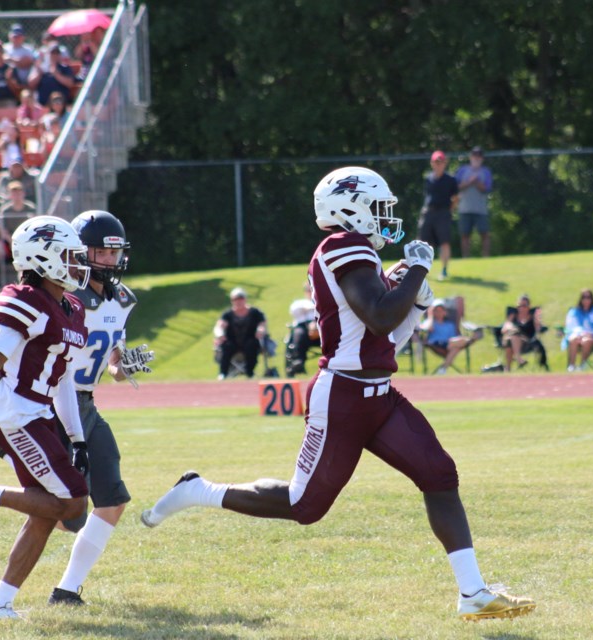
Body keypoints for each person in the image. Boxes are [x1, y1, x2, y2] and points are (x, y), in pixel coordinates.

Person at [140, 166, 536, 622]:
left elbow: (387, 339)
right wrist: (416, 271)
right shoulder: (341, 247)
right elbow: (380, 316)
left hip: (379, 395)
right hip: (343, 397)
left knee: (440, 475)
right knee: (303, 506)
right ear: (352, 207)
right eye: (380, 207)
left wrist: (417, 299)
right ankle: (198, 491)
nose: (387, 217)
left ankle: (472, 592)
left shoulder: (361, 253)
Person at [0, 215, 91, 621]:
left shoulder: (71, 308)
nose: (77, 264)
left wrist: (76, 439)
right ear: (43, 258)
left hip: (38, 413)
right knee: (74, 503)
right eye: (68, 256)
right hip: (15, 415)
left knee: (46, 511)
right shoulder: (26, 299)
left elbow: (62, 381)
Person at [47, 210, 154, 606]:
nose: (110, 261)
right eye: (102, 253)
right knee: (64, 515)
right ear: (81, 252)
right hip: (55, 403)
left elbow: (112, 367)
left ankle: (67, 591)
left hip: (86, 404)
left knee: (112, 500)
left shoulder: (121, 299)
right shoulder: (65, 296)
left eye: (114, 253)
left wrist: (129, 364)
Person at [417, 150, 459, 280]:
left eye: (440, 162)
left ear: (445, 163)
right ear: (432, 163)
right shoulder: (429, 178)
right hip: (429, 212)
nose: (438, 164)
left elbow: (456, 198)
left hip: (443, 213)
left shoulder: (450, 180)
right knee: (422, 242)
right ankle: (419, 270)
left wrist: (449, 211)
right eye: (436, 162)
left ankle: (444, 270)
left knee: (444, 242)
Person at [213, 287, 267, 379]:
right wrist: (220, 335)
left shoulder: (255, 313)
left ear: (245, 299)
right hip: (233, 342)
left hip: (249, 340)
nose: (238, 301)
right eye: (235, 299)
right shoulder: (227, 315)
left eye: (241, 298)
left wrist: (260, 330)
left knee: (252, 345)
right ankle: (223, 373)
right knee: (226, 346)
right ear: (232, 301)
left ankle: (250, 372)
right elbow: (219, 326)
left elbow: (262, 324)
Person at [454, 146, 493, 258]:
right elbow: (456, 187)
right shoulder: (463, 170)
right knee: (465, 235)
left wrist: (477, 182)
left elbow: (487, 189)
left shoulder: (486, 172)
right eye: (474, 156)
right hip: (464, 208)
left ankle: (486, 257)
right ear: (471, 157)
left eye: (479, 156)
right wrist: (469, 182)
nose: (476, 158)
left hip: (481, 209)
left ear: (482, 158)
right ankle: (466, 258)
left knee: (484, 234)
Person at [421, 298, 475, 375]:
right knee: (464, 341)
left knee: (456, 348)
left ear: (445, 312)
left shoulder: (450, 325)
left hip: (449, 343)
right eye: (436, 310)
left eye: (441, 310)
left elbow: (453, 337)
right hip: (436, 343)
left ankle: (443, 369)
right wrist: (430, 315)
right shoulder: (430, 322)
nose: (439, 313)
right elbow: (428, 328)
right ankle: (469, 339)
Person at [497, 294, 547, 372]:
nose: (521, 308)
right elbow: (505, 327)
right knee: (511, 336)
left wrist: (537, 319)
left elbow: (538, 329)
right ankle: (518, 359)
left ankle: (509, 367)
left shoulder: (532, 316)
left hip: (527, 342)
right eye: (519, 306)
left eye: (524, 306)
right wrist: (511, 327)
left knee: (511, 338)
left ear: (529, 306)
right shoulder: (513, 315)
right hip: (510, 340)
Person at [563, 288, 593, 371]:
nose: (586, 300)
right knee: (573, 339)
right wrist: (580, 334)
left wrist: (589, 334)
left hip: (592, 337)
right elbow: (570, 327)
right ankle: (571, 366)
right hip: (577, 335)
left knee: (586, 341)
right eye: (584, 297)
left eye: (588, 297)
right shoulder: (574, 312)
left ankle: (582, 365)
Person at [284, 282, 319, 377]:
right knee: (298, 333)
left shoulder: (323, 300)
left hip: (321, 329)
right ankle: (298, 361)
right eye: (309, 290)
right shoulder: (300, 303)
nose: (311, 292)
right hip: (304, 328)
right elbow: (294, 310)